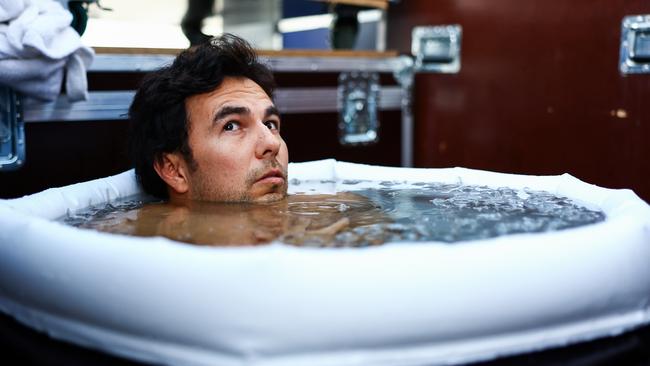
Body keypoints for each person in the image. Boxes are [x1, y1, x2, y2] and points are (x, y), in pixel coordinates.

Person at [128, 33, 289, 204]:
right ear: (174, 170)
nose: (272, 143)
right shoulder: (114, 227)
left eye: (270, 124)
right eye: (231, 126)